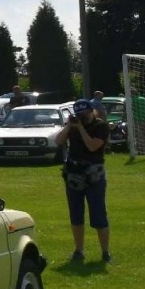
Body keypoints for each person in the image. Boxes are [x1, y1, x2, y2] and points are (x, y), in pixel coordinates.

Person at [56, 99, 112, 262]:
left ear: (92, 111)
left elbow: (92, 146)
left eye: (86, 113)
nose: (83, 117)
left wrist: (81, 128)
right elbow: (58, 141)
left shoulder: (100, 126)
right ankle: (78, 250)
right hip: (74, 173)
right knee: (76, 214)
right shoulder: (72, 126)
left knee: (98, 213)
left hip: (94, 174)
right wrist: (69, 126)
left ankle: (105, 252)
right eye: (79, 114)